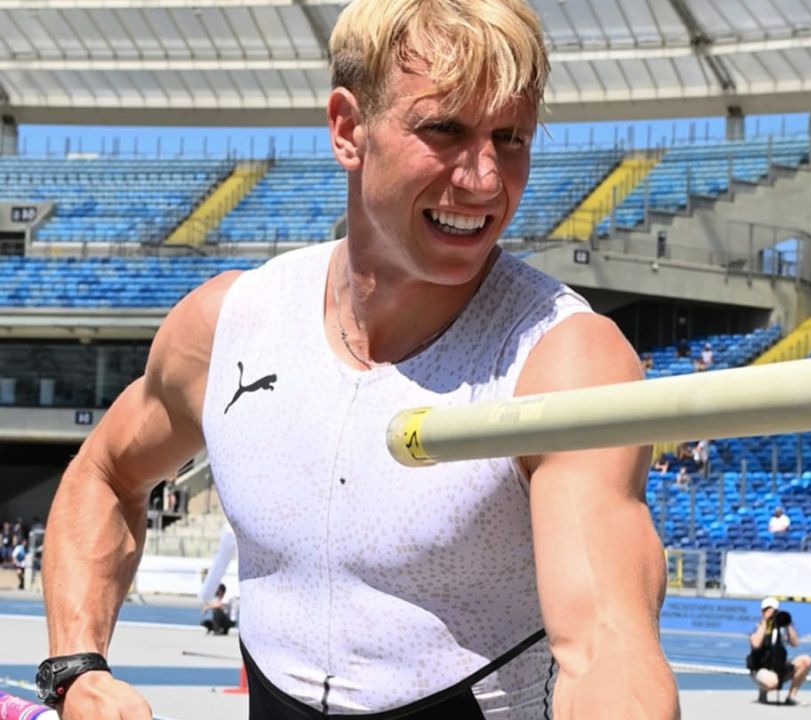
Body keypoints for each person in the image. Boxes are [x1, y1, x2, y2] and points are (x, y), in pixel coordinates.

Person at [38, 1, 677, 718]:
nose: (485, 179)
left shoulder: (564, 360)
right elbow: (104, 474)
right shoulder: (230, 325)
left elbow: (608, 646)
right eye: (444, 130)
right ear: (348, 128)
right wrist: (77, 670)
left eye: (511, 138)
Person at [747, 598, 811, 706]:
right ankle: (763, 690)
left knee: (806, 660)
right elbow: (756, 644)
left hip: (780, 667)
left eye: (774, 611)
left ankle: (791, 697)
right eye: (767, 610)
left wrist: (787, 623)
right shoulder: (758, 626)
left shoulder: (782, 627)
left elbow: (795, 643)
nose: (772, 613)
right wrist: (765, 622)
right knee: (772, 683)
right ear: (762, 611)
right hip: (760, 668)